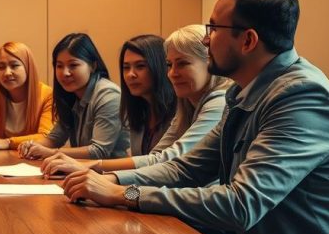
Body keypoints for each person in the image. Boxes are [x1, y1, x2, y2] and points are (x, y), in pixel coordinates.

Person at [61, 0, 329, 234]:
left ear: (247, 40)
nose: (206, 39)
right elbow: (185, 169)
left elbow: (240, 204)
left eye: (213, 28)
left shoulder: (303, 97)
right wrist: (109, 179)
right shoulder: (245, 92)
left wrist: (123, 193)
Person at [42, 25, 229, 174]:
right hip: (166, 197)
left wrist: (95, 170)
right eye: (170, 65)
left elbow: (167, 160)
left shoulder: (218, 102)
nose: (172, 73)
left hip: (196, 210)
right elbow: (157, 157)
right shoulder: (182, 101)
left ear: (210, 62)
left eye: (183, 63)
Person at [17, 33, 128, 160]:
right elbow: (54, 139)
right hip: (81, 171)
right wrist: (32, 145)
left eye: (73, 65)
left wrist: (51, 153)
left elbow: (98, 151)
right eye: (59, 66)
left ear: (93, 66)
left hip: (110, 175)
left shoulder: (108, 95)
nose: (65, 72)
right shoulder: (71, 94)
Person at [0, 41, 53, 150]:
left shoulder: (47, 95)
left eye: (14, 65)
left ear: (28, 67)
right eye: (1, 67)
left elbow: (46, 138)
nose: (7, 72)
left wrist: (8, 143)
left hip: (34, 160)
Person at [119, 34, 176, 156]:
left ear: (160, 67)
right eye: (126, 67)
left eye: (140, 66)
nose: (130, 74)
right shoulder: (139, 110)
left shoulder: (179, 111)